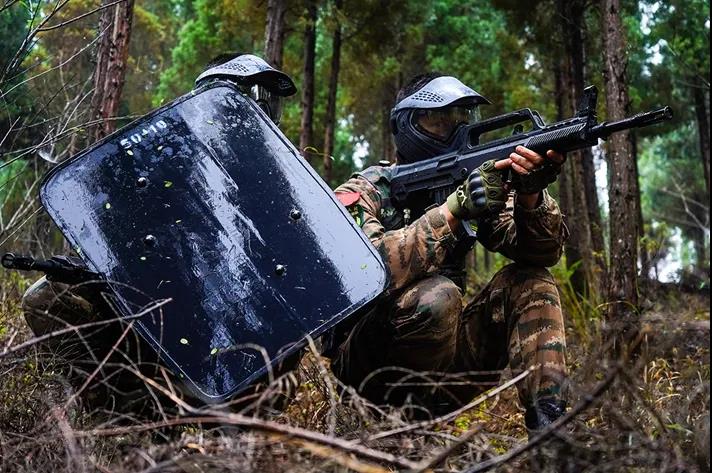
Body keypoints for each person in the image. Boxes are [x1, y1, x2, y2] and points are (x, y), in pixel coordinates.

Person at [328, 73, 569, 431]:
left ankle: (551, 430)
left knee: (532, 282)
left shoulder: (468, 183)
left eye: (459, 118)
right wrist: (452, 213)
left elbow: (541, 252)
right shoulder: (365, 190)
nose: (451, 128)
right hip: (367, 376)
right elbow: (367, 268)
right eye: (437, 119)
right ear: (407, 125)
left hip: (445, 372)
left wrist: (530, 195)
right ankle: (389, 426)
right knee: (438, 297)